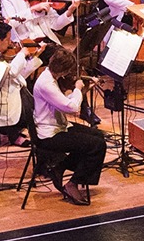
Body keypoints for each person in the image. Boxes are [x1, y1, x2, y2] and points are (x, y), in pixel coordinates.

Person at [32, 47, 108, 205]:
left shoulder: (49, 76)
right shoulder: (46, 84)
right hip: (50, 134)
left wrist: (83, 89)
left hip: (58, 125)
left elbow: (65, 102)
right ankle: (73, 183)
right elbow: (71, 108)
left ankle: (60, 166)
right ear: (64, 70)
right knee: (97, 146)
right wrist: (78, 89)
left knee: (98, 135)